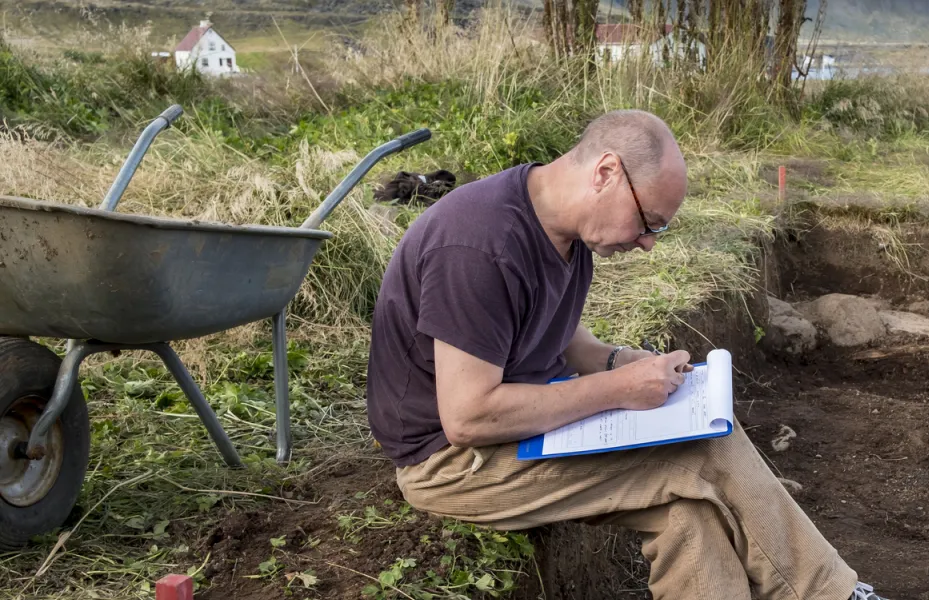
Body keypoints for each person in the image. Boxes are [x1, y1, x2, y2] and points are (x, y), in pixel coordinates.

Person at [365, 109, 888, 600]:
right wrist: (617, 391)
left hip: (519, 428)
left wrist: (625, 363)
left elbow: (570, 341)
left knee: (688, 513)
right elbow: (469, 416)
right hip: (450, 462)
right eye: (649, 222)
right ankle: (834, 593)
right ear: (607, 172)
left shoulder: (561, 232)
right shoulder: (478, 246)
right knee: (704, 450)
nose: (648, 243)